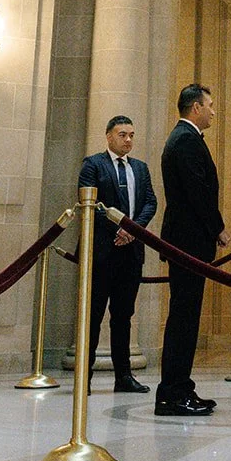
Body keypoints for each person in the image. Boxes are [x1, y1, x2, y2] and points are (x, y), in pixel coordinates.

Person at [154, 83, 230, 417]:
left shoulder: (186, 138)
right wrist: (218, 227)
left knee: (186, 317)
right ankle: (172, 393)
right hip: (187, 241)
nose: (213, 111)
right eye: (209, 105)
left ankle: (181, 387)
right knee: (183, 319)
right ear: (196, 107)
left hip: (188, 240)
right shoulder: (185, 140)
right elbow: (197, 191)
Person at [78, 116, 157, 393]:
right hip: (102, 252)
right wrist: (119, 228)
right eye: (122, 134)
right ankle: (84, 378)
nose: (128, 140)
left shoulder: (140, 168)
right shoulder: (93, 164)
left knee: (123, 316)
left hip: (130, 253)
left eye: (132, 135)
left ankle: (123, 377)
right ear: (109, 136)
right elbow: (89, 203)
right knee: (93, 316)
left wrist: (132, 230)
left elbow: (150, 202)